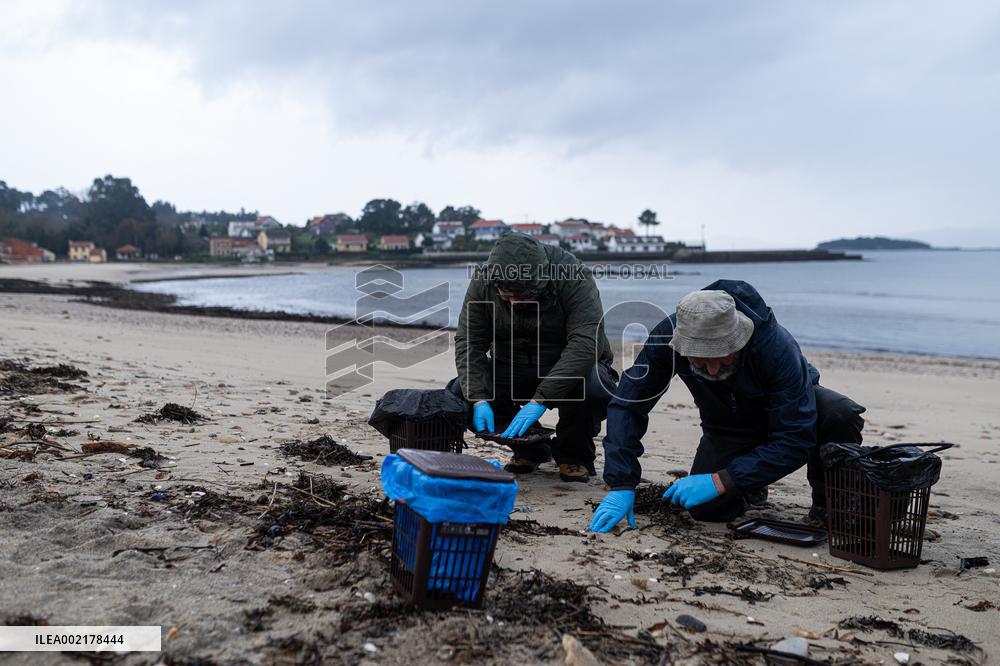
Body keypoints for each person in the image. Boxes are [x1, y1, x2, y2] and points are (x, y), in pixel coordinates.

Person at [589, 280, 865, 532]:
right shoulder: (667, 340)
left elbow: (795, 437)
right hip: (727, 425)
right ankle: (751, 486)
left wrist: (721, 481)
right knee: (706, 509)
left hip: (786, 413)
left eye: (721, 356)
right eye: (700, 360)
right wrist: (621, 483)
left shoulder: (776, 347)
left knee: (840, 412)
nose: (711, 368)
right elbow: (628, 403)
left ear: (739, 339)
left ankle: (828, 504)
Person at [448, 232, 618, 483]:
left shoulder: (573, 276)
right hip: (512, 365)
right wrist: (479, 399)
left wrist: (541, 400)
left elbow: (586, 342)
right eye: (507, 296)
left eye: (523, 296)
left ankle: (574, 455)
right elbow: (470, 341)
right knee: (459, 392)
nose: (515, 303)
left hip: (568, 365)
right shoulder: (485, 280)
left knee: (594, 388)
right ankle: (530, 449)